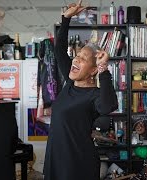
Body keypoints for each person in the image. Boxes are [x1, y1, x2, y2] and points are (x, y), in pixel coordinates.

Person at [43, 0, 118, 180]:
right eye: (76, 56)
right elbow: (59, 50)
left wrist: (103, 69)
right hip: (55, 158)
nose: (76, 60)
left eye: (83, 59)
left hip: (77, 164)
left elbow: (108, 106)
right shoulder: (69, 83)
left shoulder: (94, 95)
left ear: (93, 70)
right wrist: (66, 18)